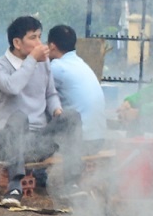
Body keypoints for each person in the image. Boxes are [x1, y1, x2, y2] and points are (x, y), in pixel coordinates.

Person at [0, 15, 67, 205]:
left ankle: (72, 184)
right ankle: (15, 186)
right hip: (10, 143)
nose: (39, 43)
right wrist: (31, 60)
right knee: (18, 118)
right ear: (17, 42)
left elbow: (50, 94)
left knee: (71, 117)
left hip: (38, 141)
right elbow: (13, 87)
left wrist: (57, 110)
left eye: (40, 37)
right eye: (33, 38)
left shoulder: (43, 63)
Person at [45, 25, 109, 192]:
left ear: (51, 46)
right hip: (98, 139)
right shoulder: (81, 64)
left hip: (81, 141)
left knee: (40, 126)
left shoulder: (58, 67)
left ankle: (35, 174)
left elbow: (35, 92)